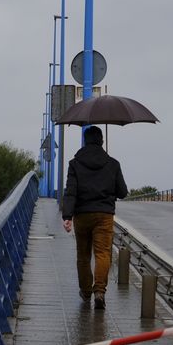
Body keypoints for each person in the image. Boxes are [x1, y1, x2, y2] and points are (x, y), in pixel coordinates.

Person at [60, 126, 128, 309]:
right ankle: (99, 292)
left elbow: (71, 191)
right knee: (102, 253)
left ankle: (85, 291)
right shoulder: (113, 163)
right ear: (102, 141)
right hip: (104, 215)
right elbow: (123, 192)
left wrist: (67, 215)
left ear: (85, 141)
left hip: (82, 215)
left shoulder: (75, 163)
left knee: (83, 255)